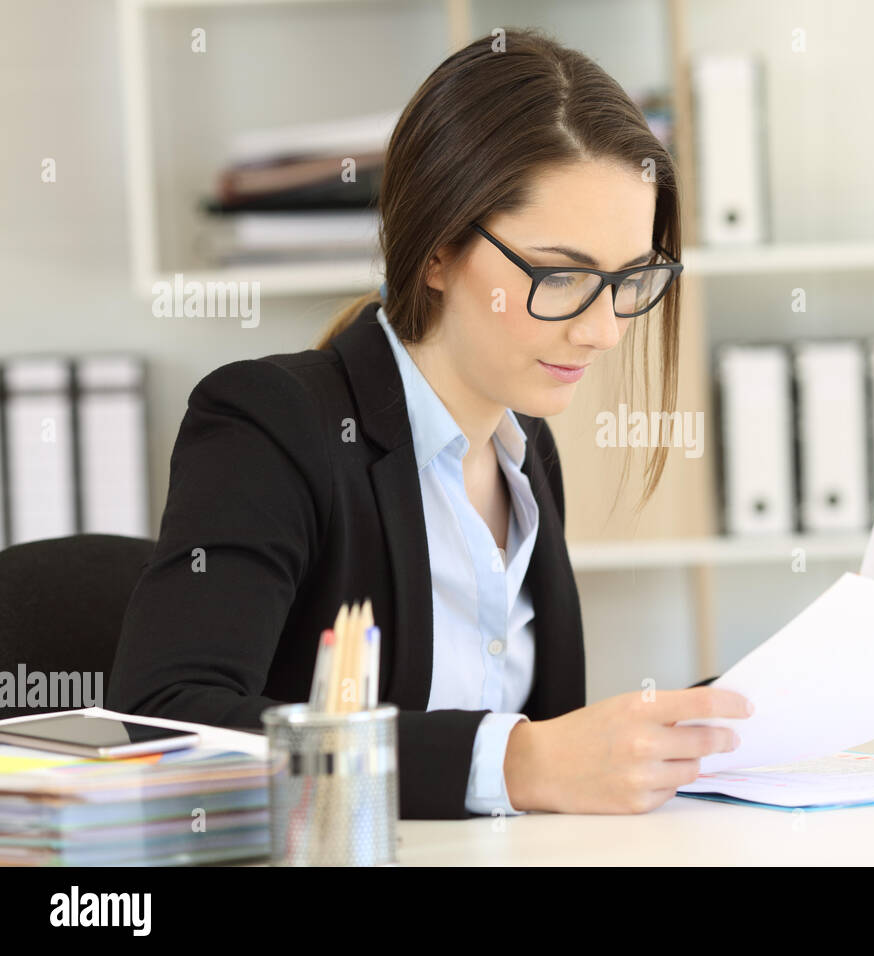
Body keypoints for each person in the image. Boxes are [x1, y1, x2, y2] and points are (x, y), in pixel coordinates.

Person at [106, 27, 752, 820]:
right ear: (437, 252)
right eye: (561, 276)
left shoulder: (526, 454)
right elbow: (164, 724)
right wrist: (514, 762)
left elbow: (534, 775)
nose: (604, 331)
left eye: (631, 280)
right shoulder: (269, 423)